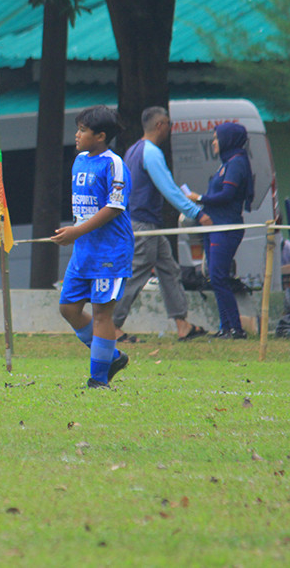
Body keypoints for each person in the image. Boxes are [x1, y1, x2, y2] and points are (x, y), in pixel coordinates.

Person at [114, 106, 211, 343]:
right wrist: (197, 214)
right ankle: (111, 325)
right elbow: (169, 189)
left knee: (169, 269)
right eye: (168, 124)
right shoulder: (151, 153)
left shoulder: (133, 151)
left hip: (143, 223)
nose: (170, 129)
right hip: (144, 224)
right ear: (160, 125)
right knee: (136, 273)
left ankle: (182, 324)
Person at [52, 105, 133, 389]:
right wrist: (75, 233)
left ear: (100, 136)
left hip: (109, 253)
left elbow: (113, 207)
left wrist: (76, 231)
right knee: (68, 308)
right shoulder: (79, 161)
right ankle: (111, 356)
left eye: (82, 130)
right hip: (83, 251)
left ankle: (98, 380)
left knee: (101, 313)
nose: (76, 135)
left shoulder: (114, 164)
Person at [187, 122, 254, 339]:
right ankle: (225, 327)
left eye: (216, 138)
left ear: (227, 140)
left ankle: (236, 328)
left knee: (218, 276)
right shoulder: (226, 163)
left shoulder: (236, 163)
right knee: (214, 277)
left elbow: (227, 195)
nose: (213, 143)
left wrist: (200, 198)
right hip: (214, 225)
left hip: (226, 227)